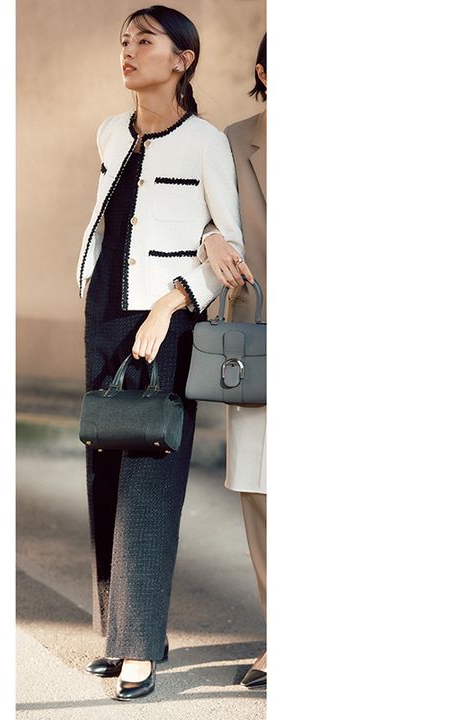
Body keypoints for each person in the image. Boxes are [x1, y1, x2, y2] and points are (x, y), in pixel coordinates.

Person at [76, 5, 244, 701]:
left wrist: (173, 301)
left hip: (164, 324)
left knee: (149, 480)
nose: (129, 50)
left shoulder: (206, 142)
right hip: (103, 316)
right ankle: (121, 633)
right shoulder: (110, 131)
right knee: (104, 471)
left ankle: (140, 646)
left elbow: (228, 251)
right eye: (124, 40)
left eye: (144, 40)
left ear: (182, 59)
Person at [202, 34, 267, 689]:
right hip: (258, 338)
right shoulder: (234, 140)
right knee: (260, 488)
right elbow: (202, 213)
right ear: (263, 72)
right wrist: (212, 238)